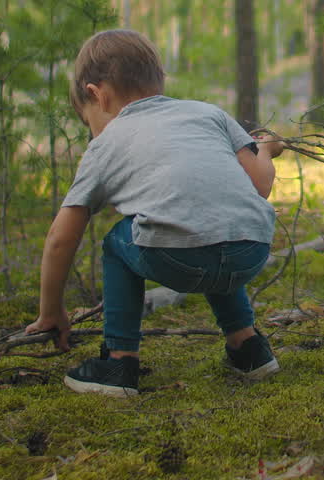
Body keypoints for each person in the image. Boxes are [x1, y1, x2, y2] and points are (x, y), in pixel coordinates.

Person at [25, 29, 284, 396]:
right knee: (214, 221)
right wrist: (266, 150)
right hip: (252, 249)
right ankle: (249, 348)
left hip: (175, 259)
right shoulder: (208, 114)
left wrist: (52, 310)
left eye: (90, 122)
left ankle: (118, 362)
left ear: (96, 95)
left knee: (118, 242)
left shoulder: (106, 144)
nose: (93, 134)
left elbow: (60, 238)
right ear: (158, 80)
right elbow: (260, 185)